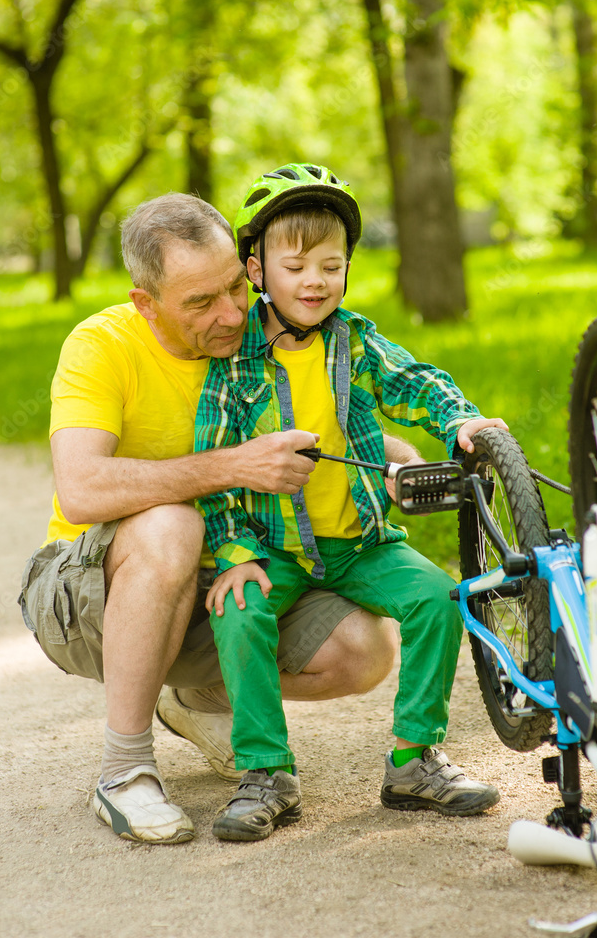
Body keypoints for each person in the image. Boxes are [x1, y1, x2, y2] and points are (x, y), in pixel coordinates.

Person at [18, 191, 419, 846]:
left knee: (362, 651)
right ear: (146, 304)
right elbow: (83, 488)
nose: (231, 313)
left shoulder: (268, 335)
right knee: (175, 524)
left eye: (235, 285)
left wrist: (401, 465)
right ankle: (123, 771)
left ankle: (197, 696)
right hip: (85, 596)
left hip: (214, 591)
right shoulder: (102, 344)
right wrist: (232, 466)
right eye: (200, 303)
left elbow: (332, 429)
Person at [195, 163, 508, 842]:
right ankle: (265, 772)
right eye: (296, 264)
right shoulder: (233, 363)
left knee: (434, 597)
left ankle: (412, 759)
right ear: (255, 270)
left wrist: (459, 420)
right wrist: (235, 552)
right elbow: (215, 469)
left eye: (331, 266)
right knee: (239, 609)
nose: (315, 281)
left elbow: (414, 382)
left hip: (360, 543)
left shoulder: (354, 341)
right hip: (274, 545)